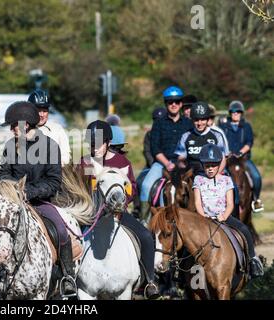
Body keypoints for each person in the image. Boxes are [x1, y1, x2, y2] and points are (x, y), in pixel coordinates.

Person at [0, 101, 77, 298]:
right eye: (11, 126)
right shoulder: (10, 146)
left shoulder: (50, 146)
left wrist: (27, 192)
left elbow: (53, 181)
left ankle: (67, 277)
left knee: (60, 230)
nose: (12, 129)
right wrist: (12, 192)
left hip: (42, 202)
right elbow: (3, 176)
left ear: (27, 125)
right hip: (13, 204)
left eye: (15, 125)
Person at [79, 120, 160, 299]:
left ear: (108, 142)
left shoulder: (121, 161)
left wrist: (122, 204)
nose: (95, 148)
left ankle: (150, 281)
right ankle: (67, 278)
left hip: (118, 212)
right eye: (92, 144)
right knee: (69, 238)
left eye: (99, 144)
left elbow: (131, 186)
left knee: (146, 237)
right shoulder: (86, 163)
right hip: (90, 215)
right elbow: (81, 187)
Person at [192, 144, 264, 278]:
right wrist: (204, 217)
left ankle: (252, 260)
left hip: (223, 217)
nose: (210, 169)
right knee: (189, 239)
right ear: (202, 166)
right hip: (204, 218)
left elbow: (230, 203)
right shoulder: (198, 180)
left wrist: (224, 216)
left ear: (219, 165)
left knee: (244, 229)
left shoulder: (227, 180)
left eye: (213, 165)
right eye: (207, 166)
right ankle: (182, 269)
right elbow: (197, 203)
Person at [139, 86, 193, 221]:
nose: (173, 104)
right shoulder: (158, 123)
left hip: (183, 163)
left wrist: (181, 161)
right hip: (162, 164)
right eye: (170, 102)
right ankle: (144, 221)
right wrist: (167, 163)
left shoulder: (188, 123)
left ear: (181, 104)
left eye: (176, 101)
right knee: (146, 185)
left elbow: (190, 145)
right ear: (166, 104)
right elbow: (155, 148)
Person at [219, 101, 264, 213]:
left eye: (238, 111)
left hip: (243, 159)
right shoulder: (224, 126)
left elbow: (249, 142)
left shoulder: (246, 126)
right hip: (228, 159)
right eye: (233, 111)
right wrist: (227, 153)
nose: (235, 113)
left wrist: (240, 152)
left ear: (241, 113)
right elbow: (220, 141)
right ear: (230, 113)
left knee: (256, 177)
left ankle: (256, 200)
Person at [175, 102, 229, 176]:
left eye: (203, 119)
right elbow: (181, 159)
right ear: (192, 120)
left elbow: (223, 159)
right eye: (196, 120)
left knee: (233, 186)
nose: (199, 123)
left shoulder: (217, 135)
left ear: (207, 120)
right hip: (192, 175)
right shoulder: (185, 136)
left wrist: (216, 175)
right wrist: (185, 171)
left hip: (214, 174)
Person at [28, 89, 71, 166]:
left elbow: (65, 156)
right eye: (38, 111)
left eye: (44, 111)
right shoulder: (20, 129)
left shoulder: (57, 129)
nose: (41, 114)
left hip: (53, 174)